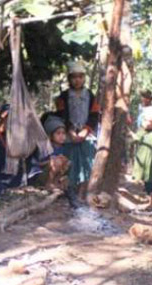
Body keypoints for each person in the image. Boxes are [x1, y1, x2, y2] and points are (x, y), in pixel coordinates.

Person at [54, 61, 101, 200]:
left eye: (80, 77)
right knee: (70, 162)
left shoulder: (90, 95)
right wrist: (71, 131)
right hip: (70, 135)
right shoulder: (63, 96)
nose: (77, 80)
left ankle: (82, 191)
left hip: (87, 135)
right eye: (74, 77)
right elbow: (62, 114)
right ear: (69, 79)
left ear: (84, 78)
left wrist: (85, 131)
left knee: (87, 162)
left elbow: (94, 114)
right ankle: (69, 191)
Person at [39, 115, 71, 190]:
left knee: (67, 162)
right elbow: (39, 163)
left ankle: (55, 182)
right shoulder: (46, 147)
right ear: (51, 135)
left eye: (63, 133)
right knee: (58, 161)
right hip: (43, 174)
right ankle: (48, 183)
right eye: (58, 133)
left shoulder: (63, 148)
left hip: (56, 173)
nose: (61, 136)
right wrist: (51, 161)